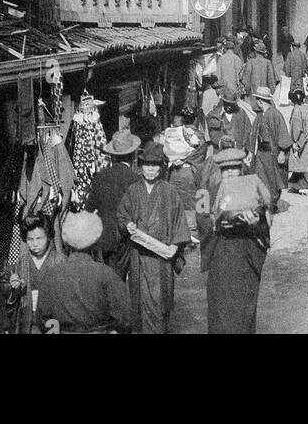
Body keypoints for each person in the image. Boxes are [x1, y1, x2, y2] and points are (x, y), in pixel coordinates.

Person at [116, 141, 191, 335]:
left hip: (161, 260)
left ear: (161, 167)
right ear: (140, 167)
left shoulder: (169, 191)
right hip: (138, 258)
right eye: (146, 164)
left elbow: (179, 220)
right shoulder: (133, 190)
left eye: (154, 165)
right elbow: (122, 216)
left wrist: (176, 244)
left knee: (160, 304)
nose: (150, 169)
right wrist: (128, 225)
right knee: (139, 305)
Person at [197, 145, 272, 334]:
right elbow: (201, 222)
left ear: (241, 169)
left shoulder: (252, 188)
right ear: (219, 170)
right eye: (225, 169)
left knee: (244, 310)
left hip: (245, 257)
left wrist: (256, 222)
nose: (230, 172)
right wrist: (215, 222)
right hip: (220, 256)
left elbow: (266, 221)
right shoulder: (207, 191)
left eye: (234, 168)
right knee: (220, 310)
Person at [34, 211, 131, 334]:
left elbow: (42, 321)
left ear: (66, 241)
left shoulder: (51, 276)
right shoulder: (106, 274)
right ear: (95, 242)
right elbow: (125, 319)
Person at [84, 129, 141, 274]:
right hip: (126, 238)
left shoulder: (100, 177)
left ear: (112, 156)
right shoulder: (135, 180)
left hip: (103, 238)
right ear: (133, 155)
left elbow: (88, 209)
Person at [5, 213, 64, 333]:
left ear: (48, 237)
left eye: (39, 238)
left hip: (53, 323)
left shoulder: (59, 261)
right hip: (28, 323)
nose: (35, 244)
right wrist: (14, 288)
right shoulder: (24, 261)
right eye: (30, 239)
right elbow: (15, 301)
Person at [251, 86, 292, 212]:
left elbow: (283, 135)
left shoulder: (275, 114)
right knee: (261, 179)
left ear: (259, 101)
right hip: (261, 154)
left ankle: (272, 204)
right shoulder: (260, 116)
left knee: (273, 180)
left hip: (272, 152)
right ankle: (264, 204)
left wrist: (283, 152)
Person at [206, 85, 256, 155]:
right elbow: (213, 134)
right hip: (221, 153)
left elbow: (248, 131)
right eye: (227, 103)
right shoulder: (215, 114)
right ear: (223, 101)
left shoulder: (241, 113)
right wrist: (224, 141)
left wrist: (245, 147)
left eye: (231, 104)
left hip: (238, 152)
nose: (229, 106)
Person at [288, 83, 308, 195]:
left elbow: (296, 129)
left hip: (302, 140)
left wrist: (295, 142)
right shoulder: (307, 107)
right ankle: (302, 184)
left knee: (302, 163)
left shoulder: (296, 111)